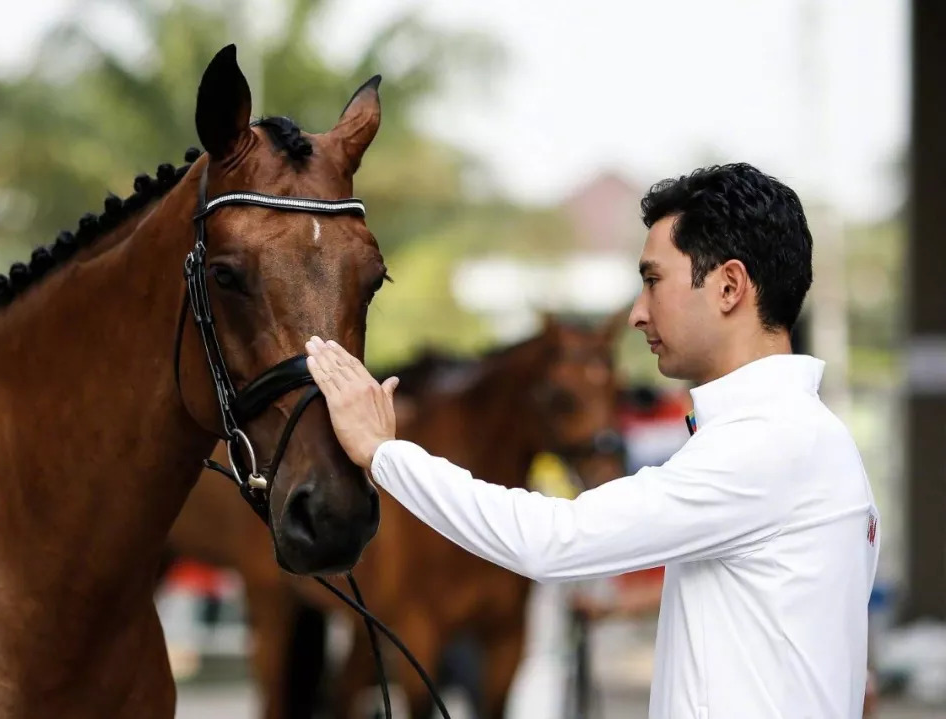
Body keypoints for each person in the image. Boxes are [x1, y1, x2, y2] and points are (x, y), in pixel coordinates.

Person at [305, 162, 880, 719]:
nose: (637, 313)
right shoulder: (798, 438)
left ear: (729, 285)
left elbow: (555, 540)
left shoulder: (769, 444)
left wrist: (383, 452)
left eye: (653, 281)